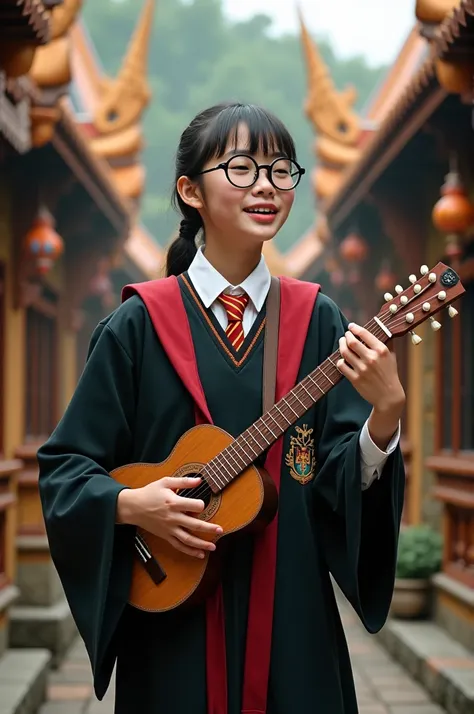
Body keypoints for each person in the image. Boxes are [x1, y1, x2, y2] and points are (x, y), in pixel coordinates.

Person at [37, 102, 406, 714]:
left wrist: (386, 415)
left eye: (281, 169)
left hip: (292, 618)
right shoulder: (138, 325)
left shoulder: (317, 320)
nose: (265, 184)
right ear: (190, 191)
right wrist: (133, 504)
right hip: (174, 623)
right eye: (240, 167)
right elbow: (66, 468)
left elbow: (339, 480)